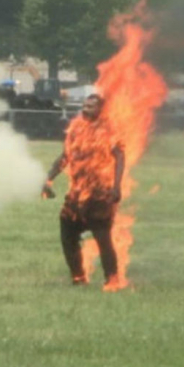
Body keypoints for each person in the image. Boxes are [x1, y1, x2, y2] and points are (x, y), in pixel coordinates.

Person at [41, 94, 126, 292]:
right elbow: (65, 157)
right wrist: (48, 178)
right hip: (77, 193)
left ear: (101, 110)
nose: (85, 109)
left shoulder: (109, 129)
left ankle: (112, 279)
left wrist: (116, 186)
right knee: (67, 234)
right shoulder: (76, 128)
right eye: (84, 105)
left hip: (100, 193)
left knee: (102, 239)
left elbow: (120, 156)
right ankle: (78, 277)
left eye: (91, 107)